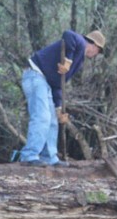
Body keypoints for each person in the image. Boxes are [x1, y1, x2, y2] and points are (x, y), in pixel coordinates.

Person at [19, 30, 105, 167]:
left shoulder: (80, 59)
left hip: (45, 82)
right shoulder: (80, 42)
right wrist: (68, 60)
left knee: (52, 120)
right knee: (42, 117)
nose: (96, 54)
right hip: (35, 75)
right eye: (98, 51)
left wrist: (58, 108)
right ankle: (29, 155)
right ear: (94, 45)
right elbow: (67, 34)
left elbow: (59, 84)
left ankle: (49, 157)